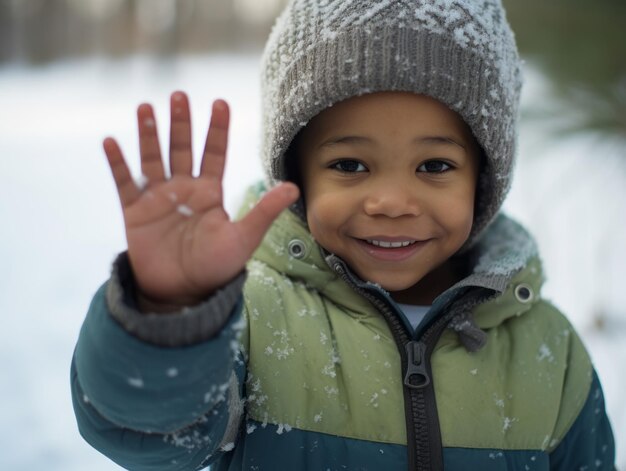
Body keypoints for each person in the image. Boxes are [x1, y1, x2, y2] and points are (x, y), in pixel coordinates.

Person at [70, 1, 615, 470]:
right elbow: (149, 434)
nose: (393, 203)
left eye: (435, 166)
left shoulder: (550, 353)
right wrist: (171, 312)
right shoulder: (250, 323)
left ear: (485, 178)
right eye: (351, 165)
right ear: (297, 177)